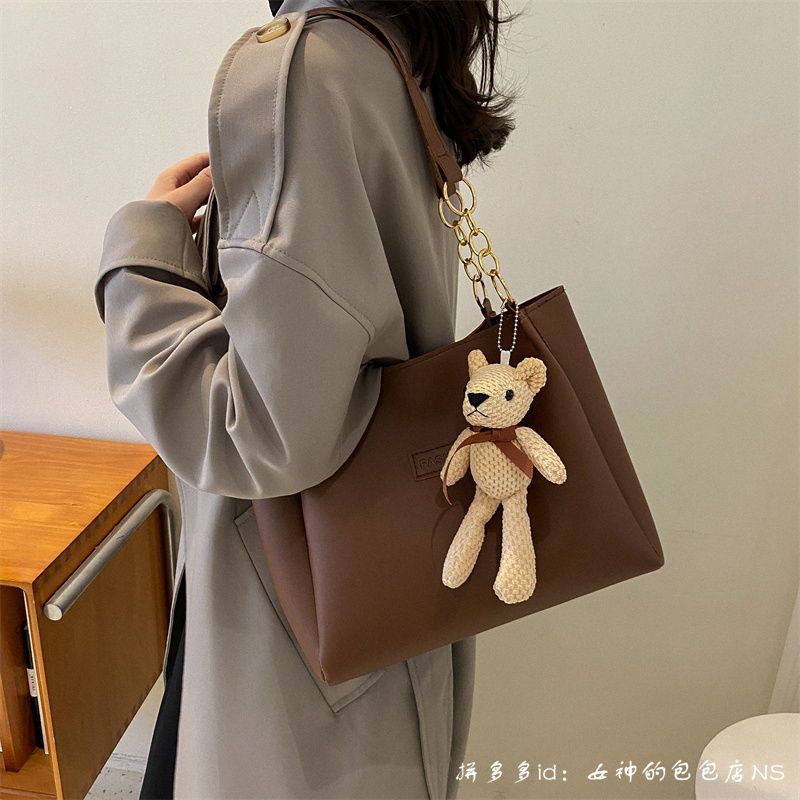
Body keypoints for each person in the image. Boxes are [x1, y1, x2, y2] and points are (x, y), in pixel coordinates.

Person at [93, 0, 518, 797]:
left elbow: (256, 436)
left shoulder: (298, 67)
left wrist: (141, 257)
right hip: (385, 571)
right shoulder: (391, 45)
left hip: (294, 620)